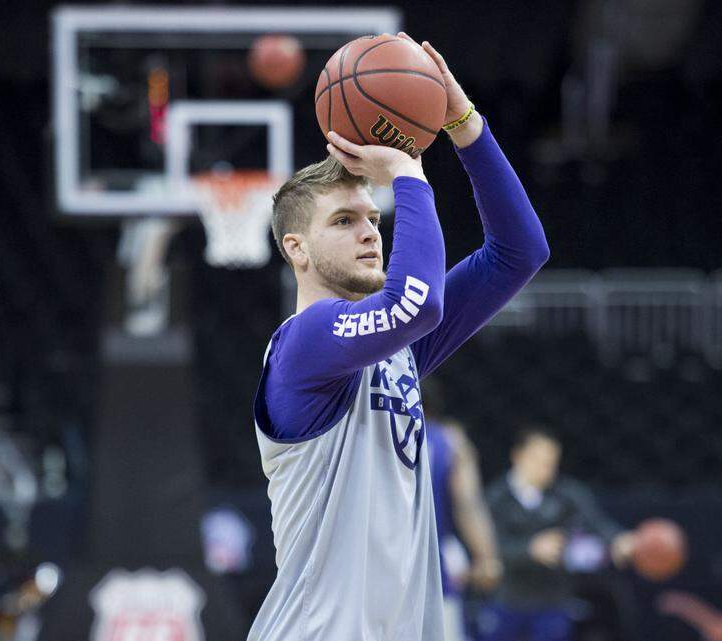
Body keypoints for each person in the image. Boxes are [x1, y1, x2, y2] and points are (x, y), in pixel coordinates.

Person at [247, 31, 549, 641]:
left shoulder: (395, 351)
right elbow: (415, 305)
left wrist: (463, 123)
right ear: (295, 249)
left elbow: (520, 252)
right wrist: (409, 172)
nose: (370, 232)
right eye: (344, 220)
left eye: (371, 217)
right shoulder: (303, 344)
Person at [481, 427, 636, 641]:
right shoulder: (496, 498)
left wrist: (618, 539)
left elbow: (597, 524)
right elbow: (488, 547)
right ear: (518, 455)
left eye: (551, 462)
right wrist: (530, 549)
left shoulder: (567, 496)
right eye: (538, 460)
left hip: (553, 602)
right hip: (509, 600)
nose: (546, 469)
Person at [426, 415, 503, 641]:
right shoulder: (449, 439)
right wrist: (487, 558)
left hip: (365, 567)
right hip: (432, 570)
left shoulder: (362, 424)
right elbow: (467, 503)